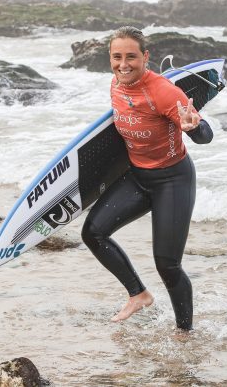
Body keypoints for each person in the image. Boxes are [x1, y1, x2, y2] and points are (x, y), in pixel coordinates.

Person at [81, 26, 213, 331]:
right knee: (93, 232)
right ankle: (138, 294)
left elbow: (205, 135)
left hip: (172, 181)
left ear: (146, 57)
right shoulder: (115, 83)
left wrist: (193, 127)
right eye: (117, 57)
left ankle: (184, 332)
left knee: (168, 265)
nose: (123, 64)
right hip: (138, 177)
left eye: (131, 57)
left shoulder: (164, 92)